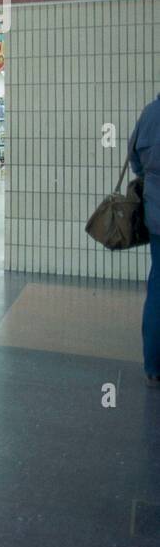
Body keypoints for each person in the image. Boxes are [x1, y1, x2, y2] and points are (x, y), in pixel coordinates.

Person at [129, 93, 160, 387]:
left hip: (156, 216)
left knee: (158, 287)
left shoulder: (149, 114)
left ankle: (153, 364)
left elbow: (134, 157)